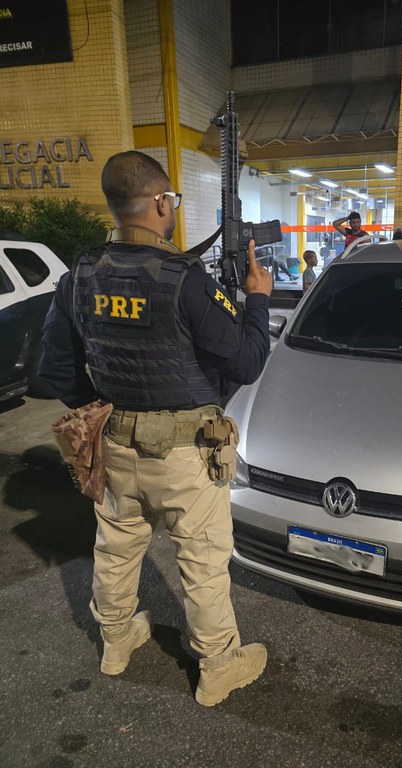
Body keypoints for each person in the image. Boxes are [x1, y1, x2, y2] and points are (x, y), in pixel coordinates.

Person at [38, 150, 273, 707]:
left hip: (114, 443)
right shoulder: (185, 280)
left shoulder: (81, 275)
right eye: (174, 200)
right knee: (202, 562)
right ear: (162, 203)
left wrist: (105, 409)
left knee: (115, 550)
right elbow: (245, 363)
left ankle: (115, 642)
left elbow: (54, 367)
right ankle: (217, 665)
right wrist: (258, 298)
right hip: (187, 455)